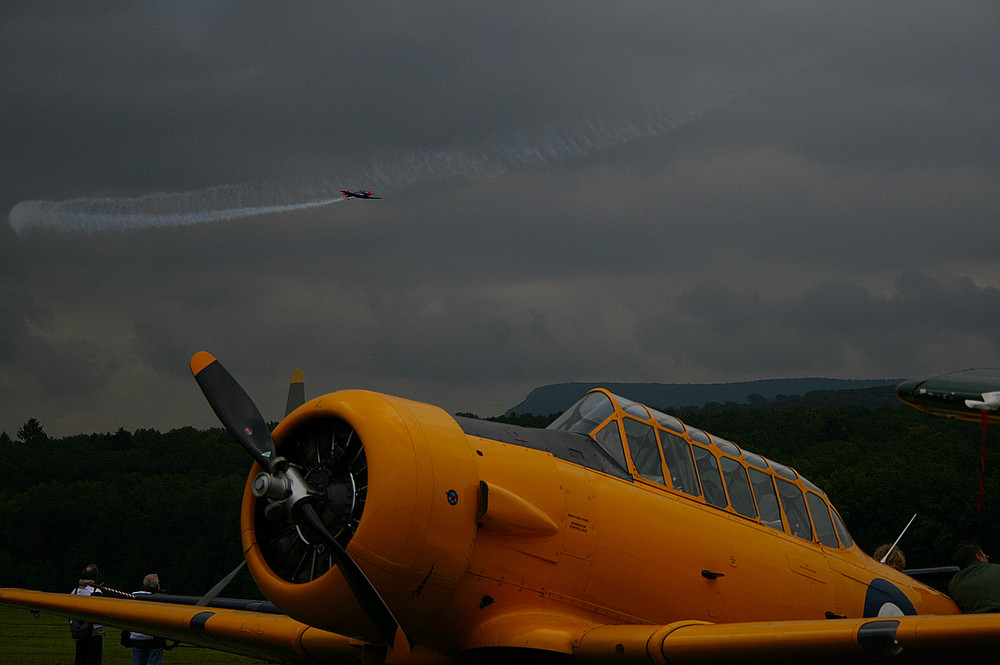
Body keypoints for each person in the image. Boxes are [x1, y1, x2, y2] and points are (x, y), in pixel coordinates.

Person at [948, 544, 1000, 613]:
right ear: (978, 557)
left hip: (976, 622)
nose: (987, 557)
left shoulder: (953, 585)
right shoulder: (997, 569)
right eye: (985, 556)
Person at [70, 563, 105, 665]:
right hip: (93, 632)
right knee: (93, 660)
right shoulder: (95, 591)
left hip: (79, 631)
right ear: (95, 577)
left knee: (80, 659)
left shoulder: (74, 591)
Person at [130, 574, 167, 665]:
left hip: (137, 637)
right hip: (154, 638)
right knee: (155, 662)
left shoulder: (133, 596)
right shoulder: (157, 598)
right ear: (156, 585)